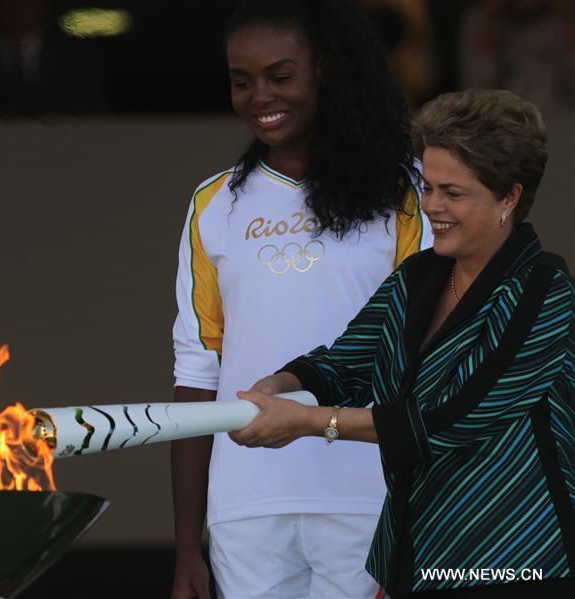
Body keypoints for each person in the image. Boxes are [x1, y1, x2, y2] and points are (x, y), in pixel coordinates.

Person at [232, 89, 574, 598]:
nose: (431, 205)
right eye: (429, 186)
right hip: (415, 561)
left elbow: (450, 419)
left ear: (509, 198)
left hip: (516, 564)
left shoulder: (544, 289)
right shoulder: (419, 276)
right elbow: (345, 365)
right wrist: (282, 383)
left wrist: (308, 422)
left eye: (452, 193)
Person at [171, 1, 432, 597]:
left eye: (280, 76)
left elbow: (428, 356)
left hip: (371, 499)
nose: (260, 96)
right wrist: (187, 546)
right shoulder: (214, 204)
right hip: (245, 508)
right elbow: (196, 369)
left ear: (327, 70)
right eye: (242, 81)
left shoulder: (408, 190)